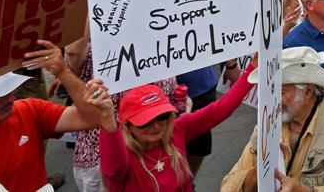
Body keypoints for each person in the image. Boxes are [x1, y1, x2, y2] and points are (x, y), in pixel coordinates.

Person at [221, 47, 324, 191]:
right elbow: (229, 187)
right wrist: (261, 170)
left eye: (280, 92)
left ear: (307, 91)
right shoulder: (267, 124)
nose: (272, 100)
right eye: (269, 92)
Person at [100, 60, 256, 191]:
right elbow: (112, 169)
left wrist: (252, 68)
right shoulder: (122, 155)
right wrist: (107, 116)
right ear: (129, 126)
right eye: (145, 122)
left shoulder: (176, 129)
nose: (155, 126)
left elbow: (224, 106)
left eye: (162, 116)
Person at [0, 42, 115, 192]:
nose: (9, 98)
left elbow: (94, 118)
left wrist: (62, 72)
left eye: (10, 88)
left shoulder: (29, 110)